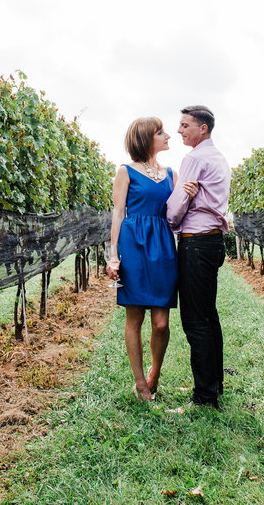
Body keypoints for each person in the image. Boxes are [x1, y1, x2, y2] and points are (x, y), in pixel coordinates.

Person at [107, 117, 190, 401]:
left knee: (161, 323)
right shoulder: (125, 171)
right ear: (145, 138)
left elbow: (178, 212)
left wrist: (189, 196)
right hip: (133, 245)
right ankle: (141, 384)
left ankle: (155, 372)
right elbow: (118, 214)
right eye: (160, 132)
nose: (168, 135)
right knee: (135, 316)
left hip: (163, 246)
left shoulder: (172, 174)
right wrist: (113, 255)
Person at [166, 105, 231, 409]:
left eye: (184, 125)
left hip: (195, 245)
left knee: (195, 320)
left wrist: (169, 218)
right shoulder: (218, 157)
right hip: (213, 243)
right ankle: (213, 384)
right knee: (208, 314)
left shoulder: (193, 158)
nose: (179, 130)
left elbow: (176, 207)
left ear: (202, 128)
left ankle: (204, 397)